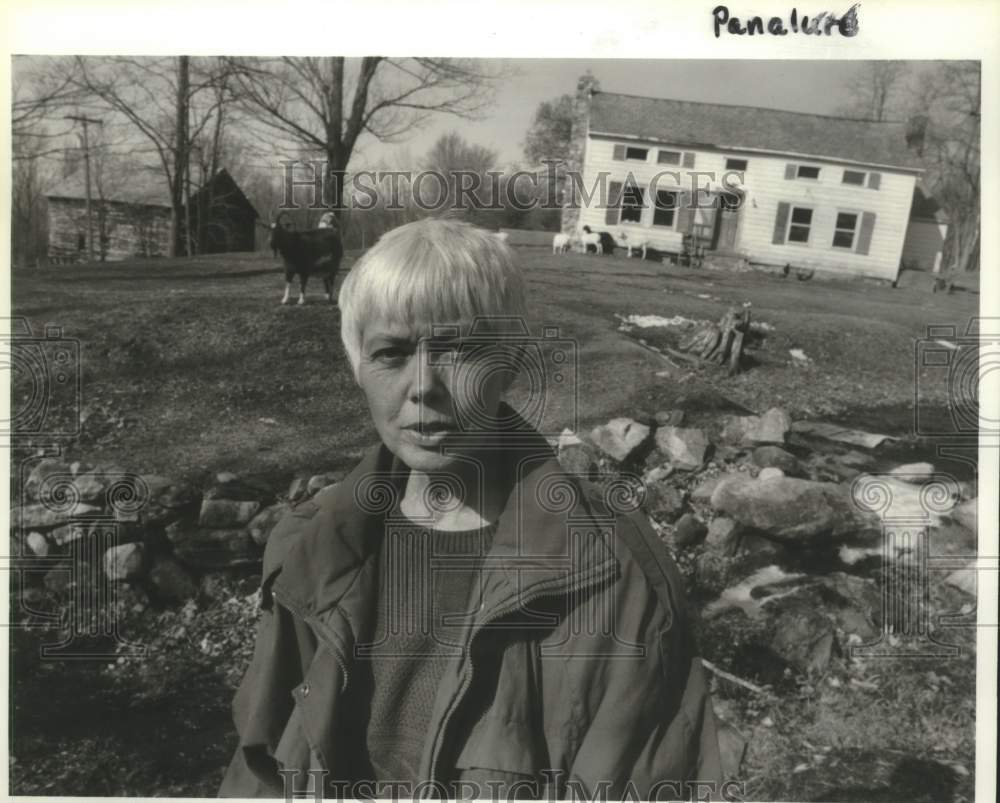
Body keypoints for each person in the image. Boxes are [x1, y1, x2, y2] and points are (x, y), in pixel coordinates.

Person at [219, 218, 722, 800]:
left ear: (511, 364)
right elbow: (260, 765)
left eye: (459, 349)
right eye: (392, 352)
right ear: (357, 368)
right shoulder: (309, 545)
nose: (423, 385)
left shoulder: (616, 570)